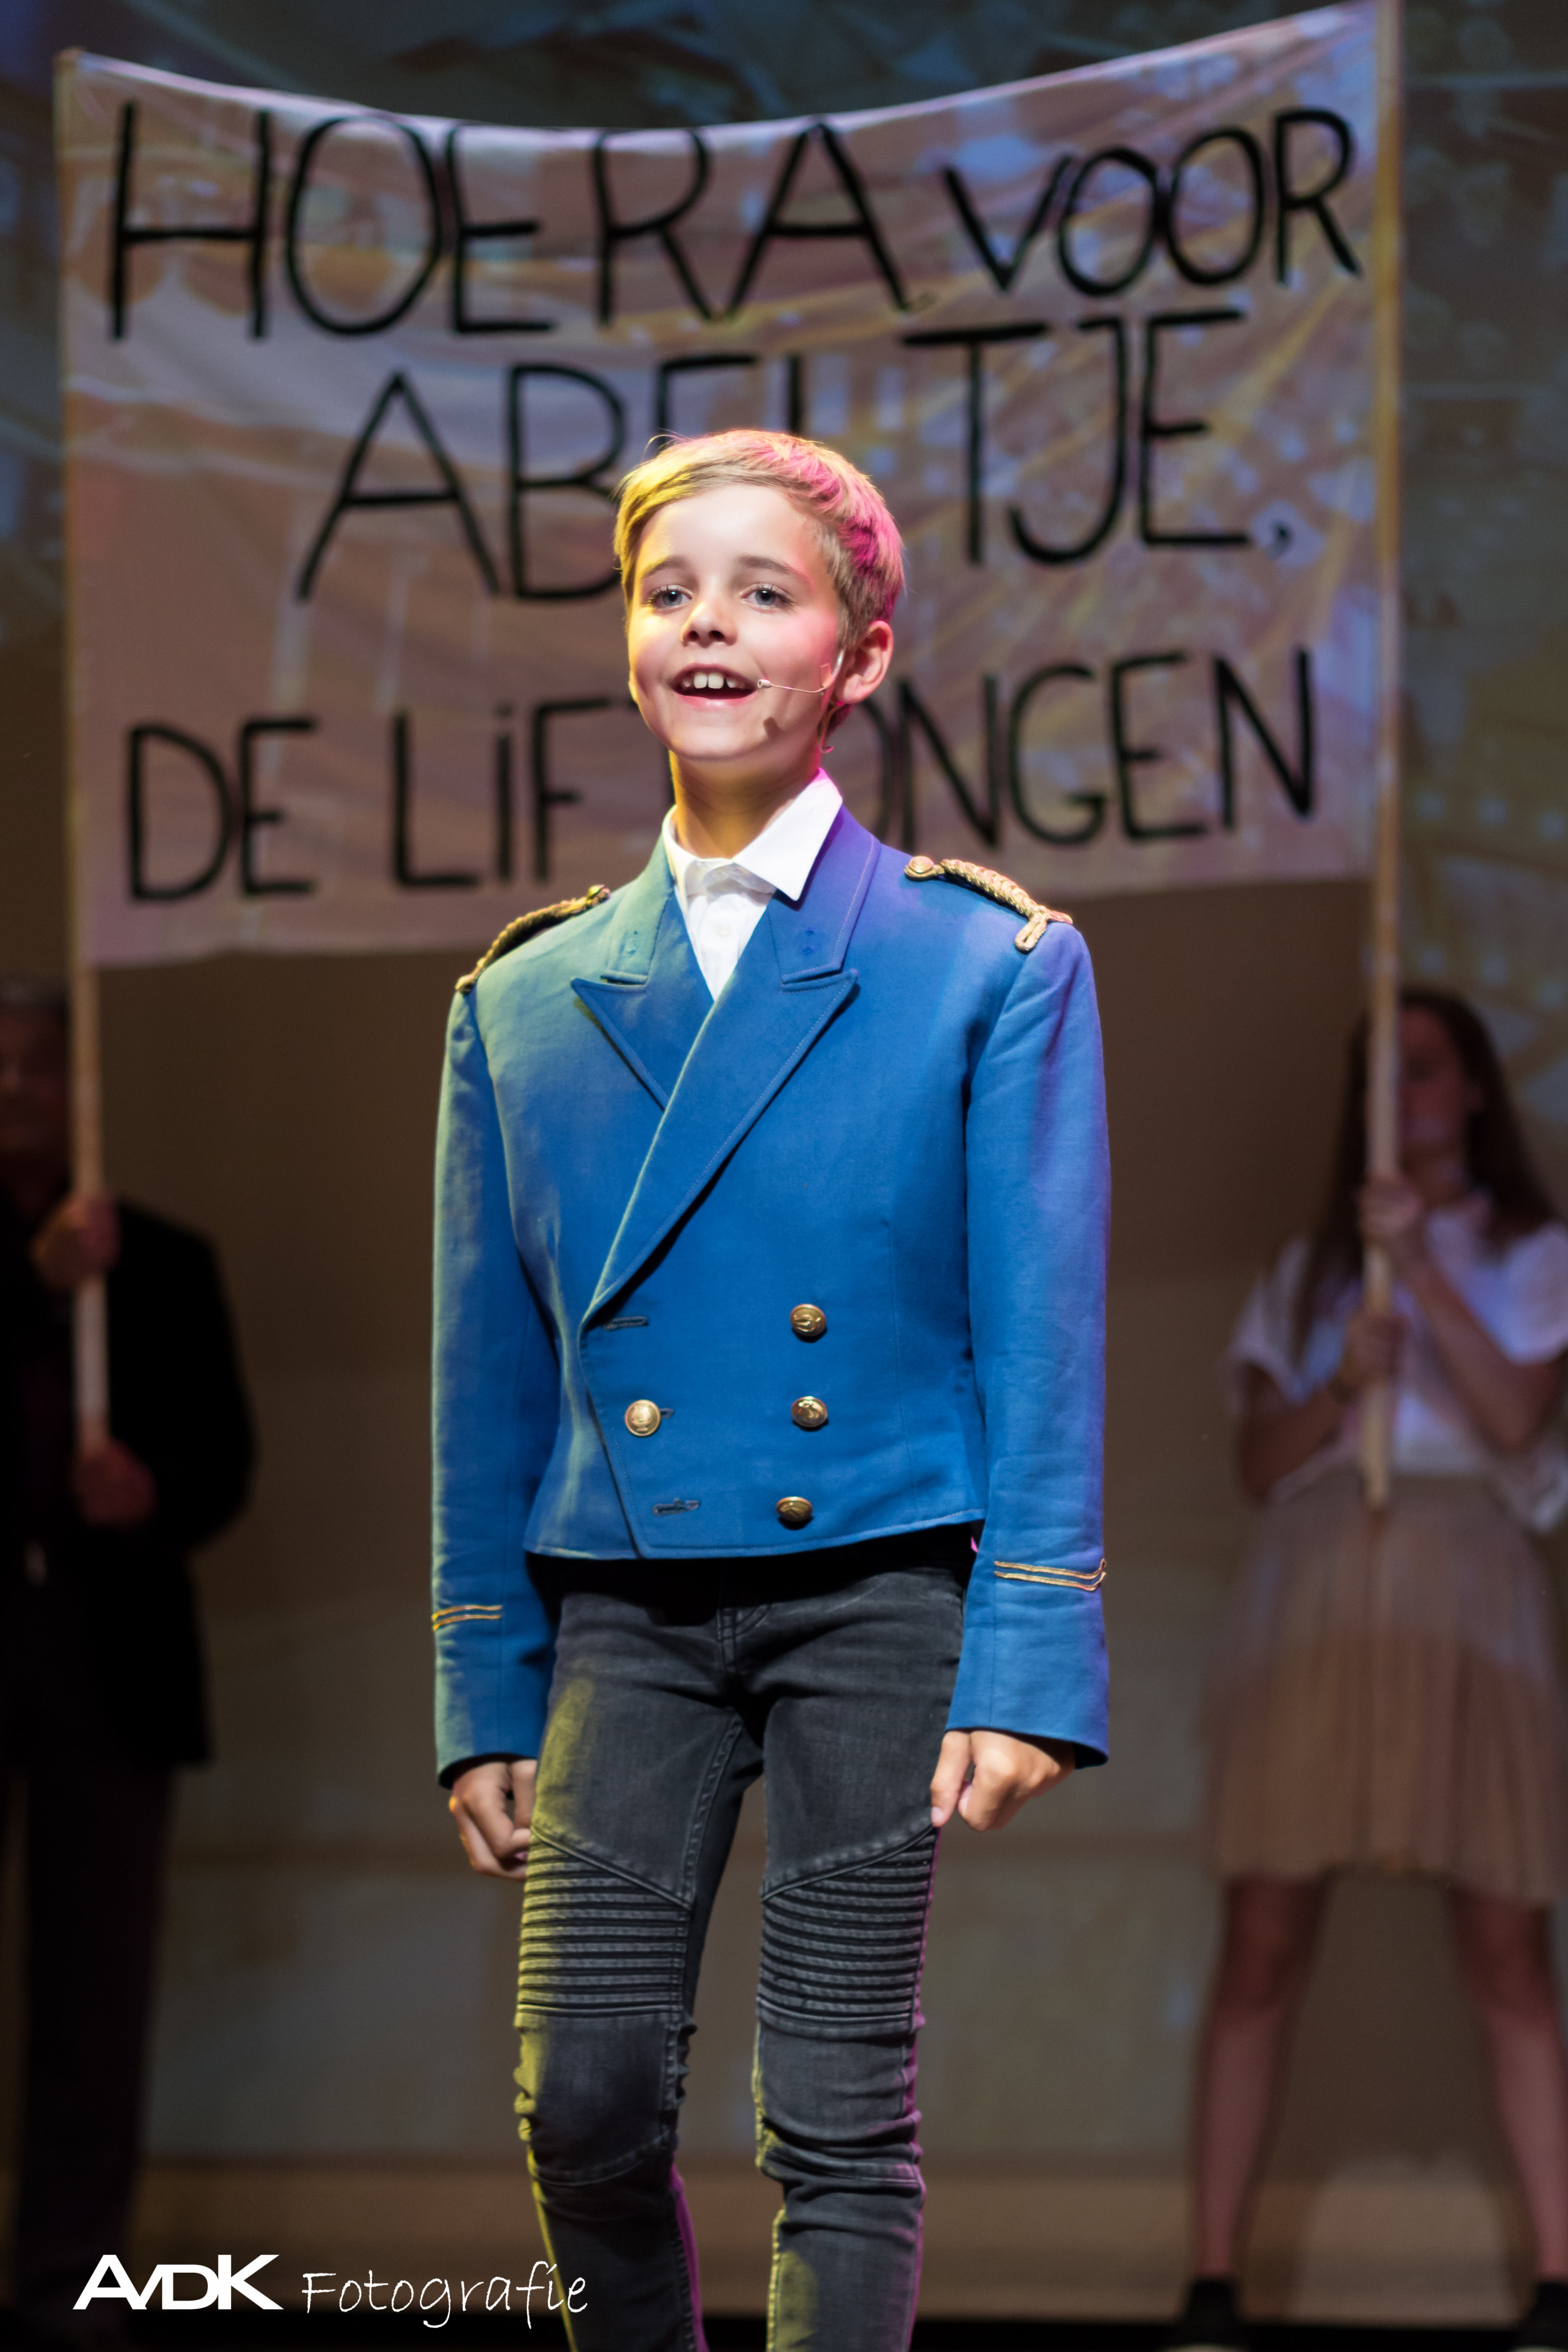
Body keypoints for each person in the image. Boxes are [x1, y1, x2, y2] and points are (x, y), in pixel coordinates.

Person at [431, 428, 1110, 2352]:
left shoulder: (983, 964)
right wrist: (481, 1679)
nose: (706, 625)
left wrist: (1030, 1652)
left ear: (859, 654)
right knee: (577, 2099)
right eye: (668, 591)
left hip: (875, 1587)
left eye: (761, 591)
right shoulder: (519, 1000)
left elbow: (1042, 1340)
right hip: (622, 1605)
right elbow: (486, 1379)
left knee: (831, 2107)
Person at [1172, 991, 1568, 2352]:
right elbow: (1257, 1466)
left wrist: (1424, 1276)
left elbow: (1516, 1416)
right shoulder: (1305, 1272)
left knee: (1507, 1944)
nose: (1402, 1095)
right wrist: (1343, 1381)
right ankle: (1211, 2280)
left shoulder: (1531, 1251)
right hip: (1320, 1584)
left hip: (1467, 1587)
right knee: (1263, 1937)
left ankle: (1556, 2280)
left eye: (1425, 1070)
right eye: (1380, 1074)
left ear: (1474, 1091)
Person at [0, 979, 253, 2344]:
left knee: (95, 1997)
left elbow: (226, 1462)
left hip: (108, 1659)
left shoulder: (159, 1262)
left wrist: (150, 1492)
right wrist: (28, 1288)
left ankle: (67, 2286)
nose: (17, 1091)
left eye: (41, 1066)